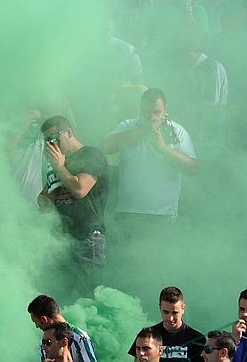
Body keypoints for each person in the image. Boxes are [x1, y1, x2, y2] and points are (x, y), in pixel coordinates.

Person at [103, 88, 197, 230]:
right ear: (140, 109)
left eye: (157, 112)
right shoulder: (128, 125)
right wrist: (141, 131)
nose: (152, 116)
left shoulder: (176, 131)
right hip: (129, 212)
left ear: (166, 110)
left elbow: (192, 168)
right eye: (147, 112)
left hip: (164, 214)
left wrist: (163, 149)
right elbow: (105, 147)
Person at [38, 115, 109, 267]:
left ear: (69, 133)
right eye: (47, 141)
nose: (51, 144)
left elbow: (80, 189)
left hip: (87, 239)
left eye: (54, 138)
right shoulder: (60, 162)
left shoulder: (91, 154)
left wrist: (59, 167)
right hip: (62, 240)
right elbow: (45, 199)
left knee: (86, 290)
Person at [128, 286, 205, 361]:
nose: (170, 318)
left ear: (183, 309)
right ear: (160, 307)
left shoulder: (197, 339)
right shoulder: (146, 336)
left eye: (175, 313)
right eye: (166, 312)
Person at [27, 295, 97, 362]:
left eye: (35, 322)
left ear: (44, 319)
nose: (37, 326)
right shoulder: (44, 344)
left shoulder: (80, 338)